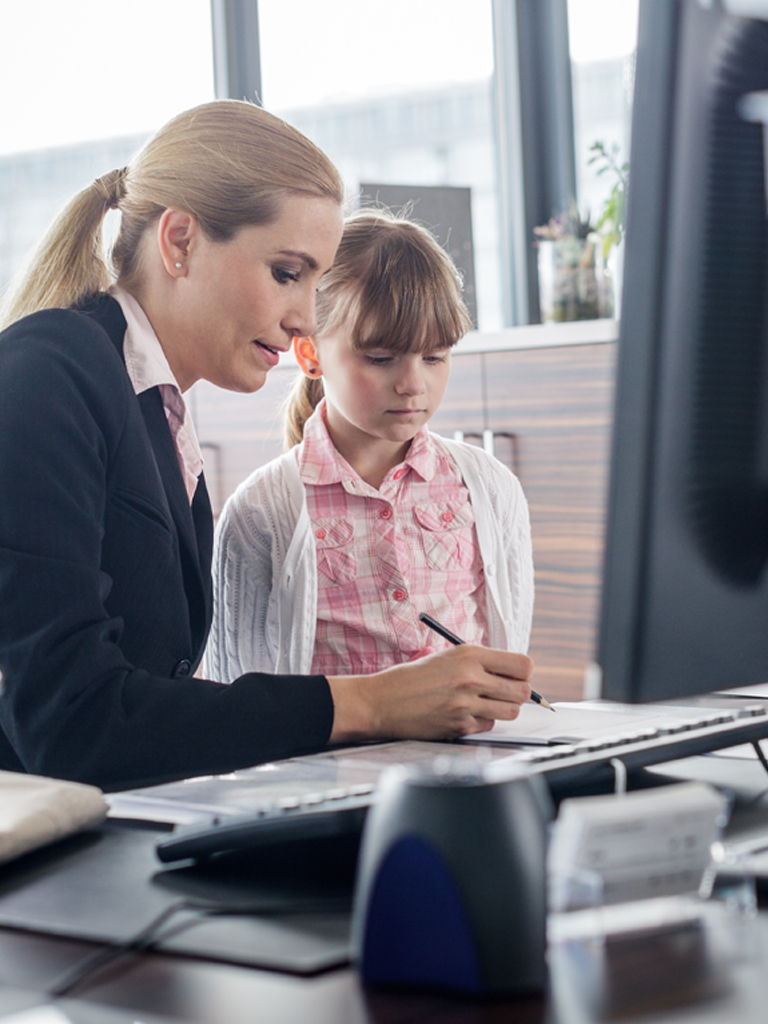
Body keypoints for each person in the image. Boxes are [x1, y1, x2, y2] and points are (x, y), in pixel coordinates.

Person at [0, 101, 532, 792]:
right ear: (181, 241)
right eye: (287, 272)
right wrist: (372, 702)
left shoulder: (153, 415)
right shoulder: (51, 371)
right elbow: (72, 722)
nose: (306, 316)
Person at [205, 209, 534, 684]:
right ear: (310, 352)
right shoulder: (262, 513)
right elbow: (236, 693)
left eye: (435, 356)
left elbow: (507, 653)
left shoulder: (489, 488)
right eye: (381, 358)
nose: (412, 384)